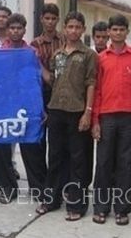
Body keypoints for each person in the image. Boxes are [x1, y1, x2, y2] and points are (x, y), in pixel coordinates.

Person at [36, 11, 96, 221]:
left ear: (83, 29)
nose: (73, 31)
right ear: (65, 29)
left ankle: (76, 204)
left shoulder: (88, 55)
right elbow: (53, 80)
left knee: (77, 160)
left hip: (77, 112)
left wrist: (87, 113)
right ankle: (51, 199)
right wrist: (38, 65)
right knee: (55, 157)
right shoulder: (57, 54)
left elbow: (91, 84)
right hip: (56, 111)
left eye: (77, 27)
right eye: (70, 27)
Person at [91, 14, 131, 225]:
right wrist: (95, 121)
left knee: (126, 164)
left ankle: (122, 209)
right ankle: (101, 207)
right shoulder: (101, 58)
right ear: (109, 32)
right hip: (106, 117)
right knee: (104, 163)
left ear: (127, 32)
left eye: (121, 30)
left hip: (129, 118)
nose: (117, 33)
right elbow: (96, 91)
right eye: (113, 30)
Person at [27, 3, 65, 202]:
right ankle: (40, 187)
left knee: (57, 145)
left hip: (62, 97)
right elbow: (34, 71)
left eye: (53, 18)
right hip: (40, 95)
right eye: (47, 18)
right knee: (38, 143)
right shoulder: (34, 44)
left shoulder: (65, 40)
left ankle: (57, 186)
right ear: (41, 19)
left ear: (57, 20)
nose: (50, 22)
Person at [0, 13, 34, 204]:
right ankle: (8, 188)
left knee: (30, 148)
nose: (15, 31)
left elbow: (35, 81)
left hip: (27, 106)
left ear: (24, 30)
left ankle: (36, 188)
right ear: (7, 30)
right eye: (12, 28)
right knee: (4, 150)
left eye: (19, 28)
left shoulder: (31, 52)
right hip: (5, 107)